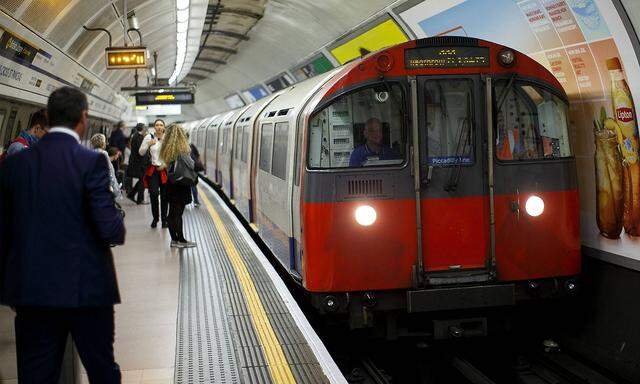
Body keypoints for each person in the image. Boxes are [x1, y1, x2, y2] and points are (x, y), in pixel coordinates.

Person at [0, 86, 125, 382]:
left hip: (32, 293)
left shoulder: (14, 165)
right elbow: (111, 230)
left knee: (37, 376)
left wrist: (10, 287)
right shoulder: (92, 162)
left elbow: (3, 233)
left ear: (48, 117)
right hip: (88, 291)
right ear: (84, 118)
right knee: (102, 372)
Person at [161, 124, 196, 248]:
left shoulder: (167, 148)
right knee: (177, 214)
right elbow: (192, 165)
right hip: (180, 185)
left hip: (170, 184)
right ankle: (180, 240)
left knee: (172, 214)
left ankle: (174, 240)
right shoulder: (181, 150)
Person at [139, 119, 168, 228]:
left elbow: (172, 154)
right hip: (153, 170)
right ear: (154, 127)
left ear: (164, 127)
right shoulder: (149, 137)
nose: (159, 127)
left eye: (161, 125)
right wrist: (148, 145)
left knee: (165, 196)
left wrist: (165, 164)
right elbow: (141, 152)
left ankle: (164, 220)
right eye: (157, 125)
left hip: (164, 169)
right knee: (154, 194)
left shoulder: (168, 138)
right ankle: (155, 218)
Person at [91, 134, 122, 199]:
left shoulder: (90, 153)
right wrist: (116, 190)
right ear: (102, 143)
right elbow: (110, 172)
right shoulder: (104, 154)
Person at [126, 123, 148, 204]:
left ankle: (132, 195)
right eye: (145, 127)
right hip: (139, 163)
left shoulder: (137, 136)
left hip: (139, 163)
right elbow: (141, 151)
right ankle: (139, 199)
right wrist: (148, 144)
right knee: (142, 180)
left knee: (141, 180)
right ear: (142, 128)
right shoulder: (137, 137)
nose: (146, 128)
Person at [186, 131, 203, 207]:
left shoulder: (179, 147)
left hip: (184, 170)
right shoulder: (191, 146)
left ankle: (186, 201)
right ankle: (196, 201)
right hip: (193, 169)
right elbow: (198, 156)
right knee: (193, 186)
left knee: (185, 186)